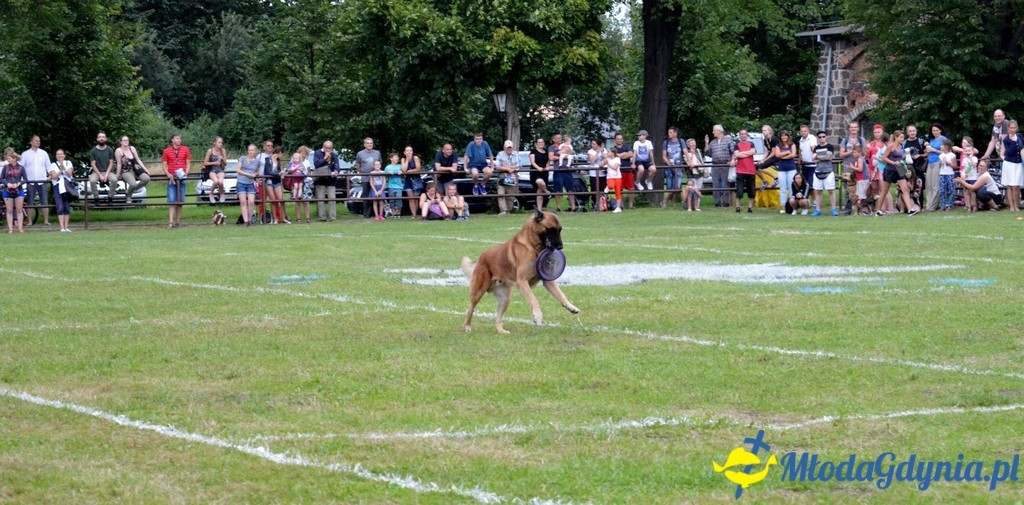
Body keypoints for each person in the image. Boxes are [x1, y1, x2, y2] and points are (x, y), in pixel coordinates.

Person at [875, 130, 919, 216]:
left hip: (899, 168)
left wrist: (904, 156)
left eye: (903, 137)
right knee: (884, 191)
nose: (902, 139)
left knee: (905, 189)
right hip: (890, 170)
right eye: (901, 137)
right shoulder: (891, 146)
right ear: (896, 137)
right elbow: (884, 158)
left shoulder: (901, 146)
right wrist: (893, 163)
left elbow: (899, 157)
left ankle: (910, 209)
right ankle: (878, 210)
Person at [21, 135, 51, 226]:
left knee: (44, 201)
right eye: (36, 140)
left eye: (39, 141)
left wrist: (50, 176)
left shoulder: (44, 153)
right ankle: (30, 221)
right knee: (30, 202)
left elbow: (48, 166)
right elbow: (22, 168)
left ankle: (46, 221)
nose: (38, 142)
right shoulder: (25, 154)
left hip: (42, 180)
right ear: (31, 142)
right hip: (30, 181)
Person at [162, 134, 190, 228]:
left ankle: (178, 221)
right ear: (172, 140)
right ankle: (170, 222)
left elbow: (188, 162)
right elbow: (164, 164)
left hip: (182, 177)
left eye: (180, 138)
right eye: (177, 138)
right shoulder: (166, 151)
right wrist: (168, 174)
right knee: (172, 200)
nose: (179, 140)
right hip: (172, 177)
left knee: (180, 201)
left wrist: (186, 173)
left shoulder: (185, 149)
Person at [838, 121, 866, 214]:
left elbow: (865, 153)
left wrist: (857, 150)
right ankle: (848, 209)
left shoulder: (861, 140)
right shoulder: (845, 140)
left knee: (860, 188)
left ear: (858, 128)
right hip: (848, 166)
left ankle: (861, 208)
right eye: (852, 127)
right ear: (849, 129)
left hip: (859, 166)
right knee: (848, 189)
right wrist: (851, 151)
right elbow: (841, 154)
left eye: (855, 127)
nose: (853, 129)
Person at [704, 125, 735, 207]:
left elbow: (733, 151)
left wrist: (733, 160)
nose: (713, 132)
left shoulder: (728, 141)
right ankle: (717, 202)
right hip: (715, 165)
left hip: (725, 164)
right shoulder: (712, 142)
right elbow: (708, 153)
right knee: (715, 184)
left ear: (719, 131)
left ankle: (726, 202)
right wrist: (706, 143)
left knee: (726, 184)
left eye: (714, 130)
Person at [115, 135, 151, 205]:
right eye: (124, 140)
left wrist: (145, 169)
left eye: (127, 140)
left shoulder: (132, 148)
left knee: (146, 178)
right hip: (126, 171)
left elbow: (138, 159)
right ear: (120, 142)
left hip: (136, 169)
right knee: (133, 184)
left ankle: (130, 190)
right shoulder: (118, 150)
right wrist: (117, 175)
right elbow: (119, 163)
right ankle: (128, 196)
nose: (126, 142)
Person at [257, 142, 286, 224]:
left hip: (275, 181)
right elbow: (260, 169)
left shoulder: (277, 160)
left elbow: (279, 170)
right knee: (263, 201)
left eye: (271, 146)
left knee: (279, 199)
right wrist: (257, 179)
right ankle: (263, 218)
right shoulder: (261, 156)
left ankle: (280, 217)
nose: (270, 147)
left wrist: (281, 173)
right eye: (268, 145)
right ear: (264, 147)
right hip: (265, 180)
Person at [811, 131, 838, 216]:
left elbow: (828, 157)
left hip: (828, 171)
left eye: (823, 136)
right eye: (820, 137)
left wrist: (818, 157)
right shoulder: (816, 148)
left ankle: (833, 209)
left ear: (826, 137)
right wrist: (821, 158)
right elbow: (813, 159)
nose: (822, 138)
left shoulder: (830, 146)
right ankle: (818, 210)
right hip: (818, 171)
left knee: (831, 190)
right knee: (818, 191)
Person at [922, 123, 948, 212]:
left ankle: (932, 206)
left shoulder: (944, 139)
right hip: (930, 162)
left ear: (940, 130)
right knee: (928, 185)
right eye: (933, 130)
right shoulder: (931, 140)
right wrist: (927, 148)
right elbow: (928, 152)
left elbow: (946, 152)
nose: (935, 132)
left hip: (938, 162)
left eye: (937, 130)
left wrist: (934, 150)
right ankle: (928, 204)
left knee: (935, 185)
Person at [312, 141, 340, 221]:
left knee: (332, 198)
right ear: (323, 147)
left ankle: (332, 217)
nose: (328, 150)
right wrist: (324, 158)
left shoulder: (334, 155)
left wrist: (336, 171)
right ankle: (322, 217)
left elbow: (337, 166)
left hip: (331, 180)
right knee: (320, 199)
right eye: (326, 148)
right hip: (320, 179)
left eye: (330, 148)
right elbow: (316, 164)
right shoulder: (317, 153)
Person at [549, 134, 578, 212]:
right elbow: (551, 157)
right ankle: (558, 207)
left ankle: (573, 207)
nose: (560, 139)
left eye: (560, 138)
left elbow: (572, 152)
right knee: (558, 189)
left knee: (571, 189)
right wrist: (561, 156)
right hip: (558, 170)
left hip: (568, 170)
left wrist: (567, 151)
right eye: (558, 138)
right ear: (554, 139)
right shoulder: (552, 147)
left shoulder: (566, 145)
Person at [355, 138, 383, 218]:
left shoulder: (377, 153)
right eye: (367, 143)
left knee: (377, 195)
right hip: (365, 178)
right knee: (366, 196)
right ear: (364, 144)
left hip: (376, 179)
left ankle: (377, 214)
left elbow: (380, 164)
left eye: (371, 143)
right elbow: (358, 166)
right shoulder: (360, 154)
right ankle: (367, 213)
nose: (369, 144)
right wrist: (363, 173)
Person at [2, 148, 28, 233]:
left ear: (14, 159)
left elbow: (25, 179)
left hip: (18, 190)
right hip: (7, 190)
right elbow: (1, 179)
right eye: (7, 158)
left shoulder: (21, 168)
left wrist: (19, 183)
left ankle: (20, 228)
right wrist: (7, 183)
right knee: (9, 210)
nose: (8, 160)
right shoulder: (5, 168)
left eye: (9, 158)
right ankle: (10, 229)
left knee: (19, 209)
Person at [48, 149, 75, 232]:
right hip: (57, 186)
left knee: (66, 206)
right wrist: (60, 170)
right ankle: (62, 227)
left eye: (61, 154)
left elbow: (69, 174)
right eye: (58, 154)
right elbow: (54, 177)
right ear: (56, 156)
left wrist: (64, 167)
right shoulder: (53, 165)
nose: (59, 155)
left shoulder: (68, 163)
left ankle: (66, 227)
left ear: (64, 155)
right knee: (60, 206)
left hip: (67, 187)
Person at [1001, 120, 1024, 212]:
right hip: (1009, 163)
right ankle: (1012, 206)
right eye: (1011, 128)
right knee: (1010, 186)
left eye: (1014, 128)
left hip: (1018, 164)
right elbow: (1009, 152)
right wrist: (1013, 141)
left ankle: (1016, 205)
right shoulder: (1006, 140)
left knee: (1016, 186)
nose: (1013, 129)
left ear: (1016, 128)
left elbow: (1022, 147)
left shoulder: (1020, 136)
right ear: (1008, 128)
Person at [732, 129, 757, 213]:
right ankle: (738, 207)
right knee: (739, 190)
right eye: (742, 134)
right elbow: (737, 154)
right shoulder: (737, 145)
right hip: (740, 170)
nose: (743, 135)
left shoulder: (751, 143)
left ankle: (750, 208)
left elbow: (753, 152)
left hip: (750, 170)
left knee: (751, 190)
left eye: (745, 134)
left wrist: (742, 153)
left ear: (747, 135)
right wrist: (748, 153)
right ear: (740, 135)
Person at [773, 130, 798, 213]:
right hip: (782, 169)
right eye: (782, 136)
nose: (784, 137)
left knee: (791, 188)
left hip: (791, 168)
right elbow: (777, 155)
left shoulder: (792, 144)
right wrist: (787, 152)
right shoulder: (778, 146)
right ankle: (783, 207)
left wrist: (783, 157)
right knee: (783, 189)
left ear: (788, 136)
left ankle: (791, 207)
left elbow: (793, 154)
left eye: (785, 135)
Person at [88, 131, 116, 201]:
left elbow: (111, 163)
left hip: (108, 172)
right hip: (96, 172)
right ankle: (96, 198)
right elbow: (93, 164)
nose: (101, 138)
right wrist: (100, 175)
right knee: (92, 181)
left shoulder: (110, 149)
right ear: (97, 139)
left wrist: (106, 175)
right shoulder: (93, 150)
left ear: (106, 139)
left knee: (114, 180)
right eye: (100, 137)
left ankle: (110, 197)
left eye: (103, 137)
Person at [611, 133, 636, 209]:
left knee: (631, 188)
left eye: (620, 139)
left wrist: (619, 156)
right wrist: (624, 154)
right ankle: (621, 205)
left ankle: (631, 205)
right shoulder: (613, 148)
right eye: (618, 139)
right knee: (619, 188)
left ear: (623, 139)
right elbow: (613, 156)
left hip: (628, 169)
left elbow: (631, 154)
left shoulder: (627, 146)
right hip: (618, 171)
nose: (619, 140)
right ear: (615, 140)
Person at [494, 140, 519, 215]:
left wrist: (505, 166)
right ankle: (503, 211)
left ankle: (508, 211)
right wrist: (508, 169)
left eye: (510, 147)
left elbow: (518, 165)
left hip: (512, 178)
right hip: (502, 177)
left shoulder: (516, 154)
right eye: (507, 147)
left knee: (510, 196)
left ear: (512, 147)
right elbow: (497, 166)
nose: (509, 149)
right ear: (504, 147)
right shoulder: (500, 154)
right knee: (501, 194)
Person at [662, 127, 685, 208]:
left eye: (671, 132)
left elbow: (685, 152)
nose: (669, 134)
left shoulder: (681, 141)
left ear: (675, 133)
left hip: (678, 166)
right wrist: (668, 162)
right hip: (669, 167)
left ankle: (665, 201)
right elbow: (664, 155)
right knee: (670, 186)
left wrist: (690, 161)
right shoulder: (666, 142)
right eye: (669, 132)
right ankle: (673, 203)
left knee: (677, 186)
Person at [202, 137, 228, 204]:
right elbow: (205, 163)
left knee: (220, 181)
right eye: (219, 142)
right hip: (212, 170)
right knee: (216, 181)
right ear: (215, 143)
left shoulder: (223, 151)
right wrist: (214, 163)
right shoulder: (210, 151)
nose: (220, 144)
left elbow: (225, 164)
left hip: (220, 170)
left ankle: (222, 194)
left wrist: (223, 159)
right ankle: (211, 194)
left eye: (221, 142)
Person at [286, 152, 310, 223]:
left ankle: (307, 218)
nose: (303, 155)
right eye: (302, 153)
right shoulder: (291, 162)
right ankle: (298, 218)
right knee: (297, 201)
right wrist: (295, 168)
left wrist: (302, 171)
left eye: (305, 153)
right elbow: (288, 170)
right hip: (295, 181)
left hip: (303, 182)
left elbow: (307, 172)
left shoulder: (306, 162)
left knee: (306, 201)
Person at [400, 145, 422, 218]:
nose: (409, 152)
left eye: (410, 150)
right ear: (404, 152)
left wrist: (409, 171)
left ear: (412, 152)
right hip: (408, 180)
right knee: (411, 198)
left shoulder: (415, 158)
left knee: (416, 198)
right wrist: (407, 159)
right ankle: (413, 214)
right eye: (407, 151)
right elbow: (404, 169)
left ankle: (416, 213)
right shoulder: (403, 159)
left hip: (416, 179)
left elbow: (418, 169)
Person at [528, 137, 550, 210]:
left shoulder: (546, 152)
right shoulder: (533, 151)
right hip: (535, 172)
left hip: (544, 172)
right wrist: (538, 167)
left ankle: (539, 209)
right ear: (536, 144)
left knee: (539, 191)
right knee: (539, 181)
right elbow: (532, 162)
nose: (540, 143)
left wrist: (547, 166)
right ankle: (547, 192)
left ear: (544, 143)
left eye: (542, 142)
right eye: (539, 142)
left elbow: (548, 161)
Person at [587, 139, 608, 211]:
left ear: (598, 145)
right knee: (594, 189)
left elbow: (607, 158)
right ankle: (595, 205)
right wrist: (597, 152)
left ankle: (603, 204)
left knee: (603, 189)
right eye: (592, 144)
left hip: (602, 173)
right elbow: (592, 161)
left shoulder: (604, 150)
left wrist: (602, 152)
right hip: (593, 174)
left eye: (594, 144)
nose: (592, 145)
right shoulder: (590, 151)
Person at [960, 138, 979, 213]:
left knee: (972, 192)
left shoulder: (974, 158)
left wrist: (970, 158)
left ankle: (974, 205)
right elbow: (964, 168)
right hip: (967, 178)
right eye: (966, 151)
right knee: (967, 192)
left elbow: (974, 165)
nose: (968, 152)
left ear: (972, 152)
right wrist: (963, 174)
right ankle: (968, 206)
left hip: (973, 178)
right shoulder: (964, 160)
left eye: (969, 151)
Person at [938, 139, 957, 211]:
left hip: (950, 174)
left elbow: (955, 166)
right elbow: (939, 166)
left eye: (942, 145)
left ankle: (950, 205)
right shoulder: (941, 156)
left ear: (946, 146)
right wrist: (940, 163)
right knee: (942, 190)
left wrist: (948, 163)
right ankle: (943, 205)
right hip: (942, 173)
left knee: (951, 190)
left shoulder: (952, 155)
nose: (940, 146)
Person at [384, 152, 404, 218]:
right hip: (391, 186)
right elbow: (384, 177)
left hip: (399, 186)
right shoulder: (387, 167)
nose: (397, 158)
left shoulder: (400, 166)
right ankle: (393, 212)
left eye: (397, 157)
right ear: (391, 158)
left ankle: (398, 213)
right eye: (395, 157)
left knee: (399, 199)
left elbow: (404, 174)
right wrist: (388, 173)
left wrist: (402, 172)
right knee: (392, 200)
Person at [797, 124, 817, 189]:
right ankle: (806, 195)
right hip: (804, 165)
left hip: (812, 165)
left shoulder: (811, 138)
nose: (803, 132)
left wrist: (814, 154)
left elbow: (813, 148)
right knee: (804, 184)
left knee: (811, 185)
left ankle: (813, 196)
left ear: (808, 131)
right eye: (802, 131)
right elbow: (800, 150)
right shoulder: (801, 139)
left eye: (805, 131)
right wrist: (800, 159)